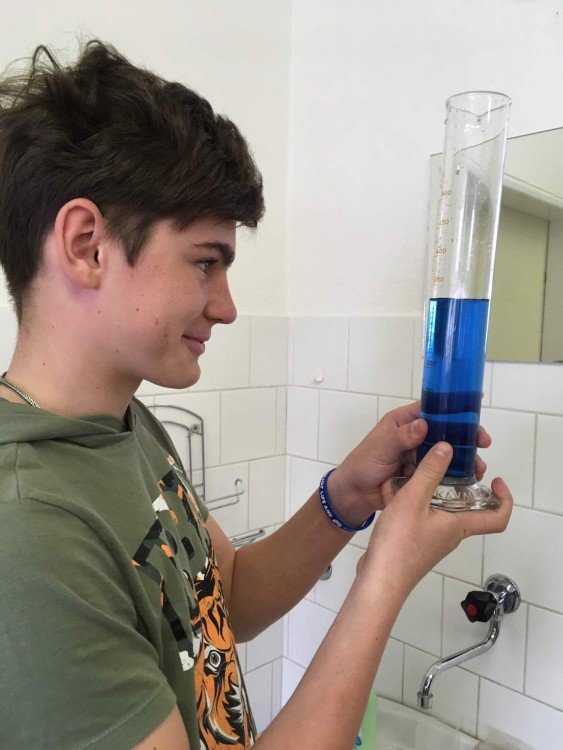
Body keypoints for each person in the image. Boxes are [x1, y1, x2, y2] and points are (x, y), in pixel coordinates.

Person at [0, 40, 512, 750]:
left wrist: (348, 497)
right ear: (88, 244)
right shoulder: (28, 532)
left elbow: (227, 598)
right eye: (204, 263)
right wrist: (385, 575)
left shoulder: (126, 424)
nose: (228, 307)